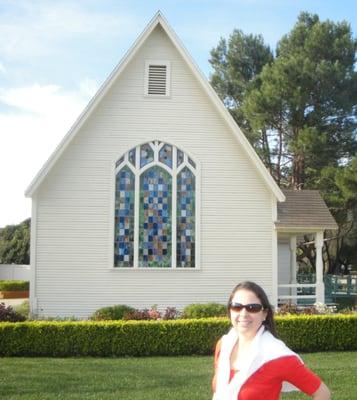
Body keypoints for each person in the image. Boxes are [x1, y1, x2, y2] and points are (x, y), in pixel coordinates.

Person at [212, 281, 331, 400]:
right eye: (236, 306)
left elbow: (323, 393)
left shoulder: (278, 355)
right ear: (230, 310)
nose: (243, 313)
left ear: (264, 314)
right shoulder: (224, 346)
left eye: (253, 308)